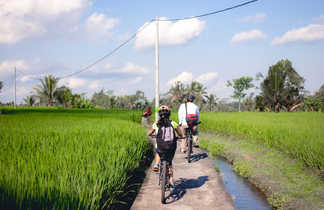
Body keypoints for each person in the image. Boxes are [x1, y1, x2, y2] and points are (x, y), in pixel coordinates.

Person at [147, 105, 184, 188]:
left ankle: (156, 164)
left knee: (158, 151)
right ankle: (171, 181)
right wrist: (182, 137)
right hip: (171, 147)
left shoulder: (156, 123)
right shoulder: (173, 123)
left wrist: (151, 135)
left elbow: (149, 133)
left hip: (161, 146)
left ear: (160, 115)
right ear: (169, 114)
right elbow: (180, 133)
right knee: (170, 162)